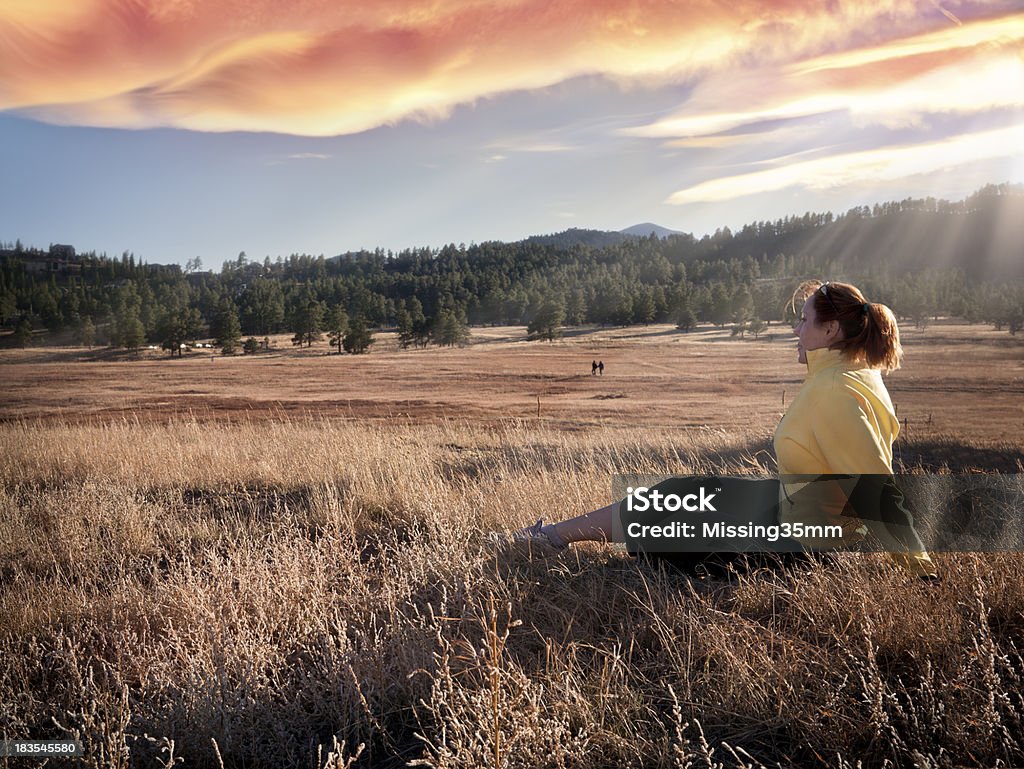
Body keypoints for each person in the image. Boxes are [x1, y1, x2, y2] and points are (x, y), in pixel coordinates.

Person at [509, 280, 939, 580]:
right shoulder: (855, 374)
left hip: (803, 548)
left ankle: (551, 537)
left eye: (804, 321)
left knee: (671, 524)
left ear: (830, 330)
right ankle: (553, 536)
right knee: (685, 491)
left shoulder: (836, 390)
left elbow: (875, 487)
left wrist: (921, 570)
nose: (796, 328)